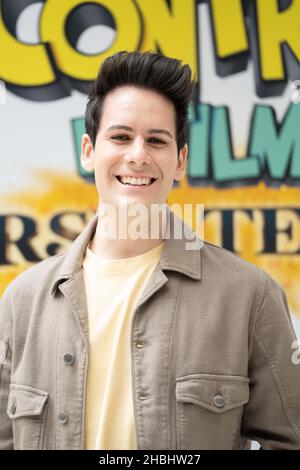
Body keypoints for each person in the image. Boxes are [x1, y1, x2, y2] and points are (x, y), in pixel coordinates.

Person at [0, 50, 300, 451]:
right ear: (89, 151)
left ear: (179, 161)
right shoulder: (22, 301)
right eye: (121, 137)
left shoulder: (250, 296)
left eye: (156, 140)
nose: (138, 154)